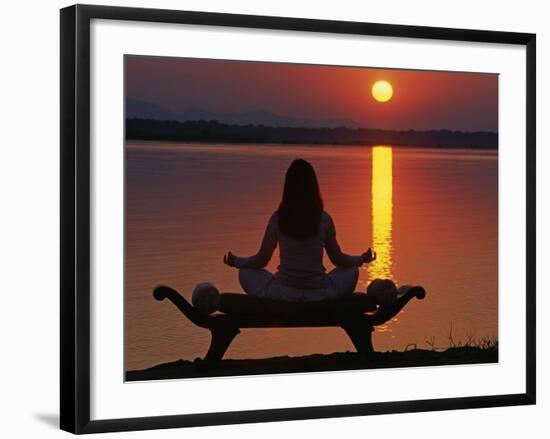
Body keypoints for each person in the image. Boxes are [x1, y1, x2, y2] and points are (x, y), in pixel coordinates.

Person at [223, 159, 376, 302]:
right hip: (318, 292)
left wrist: (237, 262)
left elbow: (262, 260)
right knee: (352, 271)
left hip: (284, 291)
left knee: (245, 272)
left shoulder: (278, 218)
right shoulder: (324, 219)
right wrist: (361, 259)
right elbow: (338, 260)